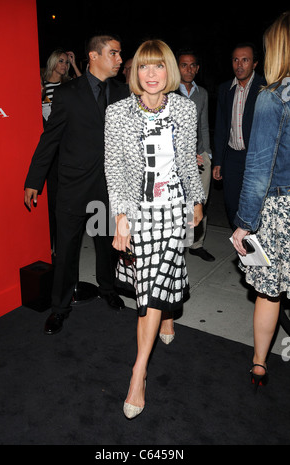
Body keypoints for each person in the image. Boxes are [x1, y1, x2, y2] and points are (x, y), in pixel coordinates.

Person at [104, 39, 205, 419]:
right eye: (143, 67)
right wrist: (121, 217)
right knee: (147, 291)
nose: (151, 74)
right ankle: (138, 373)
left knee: (162, 272)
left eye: (158, 66)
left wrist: (196, 199)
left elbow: (185, 161)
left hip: (174, 209)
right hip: (139, 211)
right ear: (134, 73)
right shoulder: (117, 114)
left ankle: (165, 317)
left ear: (169, 71)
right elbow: (114, 171)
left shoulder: (183, 107)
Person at [24, 34, 130, 335]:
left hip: (109, 186)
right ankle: (59, 308)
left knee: (107, 245)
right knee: (67, 249)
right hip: (73, 184)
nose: (120, 59)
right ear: (93, 56)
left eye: (120, 54)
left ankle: (108, 289)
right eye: (114, 53)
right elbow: (50, 139)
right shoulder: (68, 92)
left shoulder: (123, 93)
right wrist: (34, 179)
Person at [232, 11, 290, 390]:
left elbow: (258, 169)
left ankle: (259, 365)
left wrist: (244, 222)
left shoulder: (273, 97)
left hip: (280, 210)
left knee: (269, 292)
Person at [213, 43, 266, 230]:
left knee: (256, 207)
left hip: (256, 159)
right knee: (231, 205)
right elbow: (220, 127)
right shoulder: (225, 89)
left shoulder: (265, 88)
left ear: (255, 64)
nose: (239, 64)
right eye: (236, 60)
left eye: (245, 60)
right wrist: (218, 161)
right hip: (232, 157)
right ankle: (241, 250)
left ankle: (255, 251)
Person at [41, 49, 82, 260]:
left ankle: (58, 247)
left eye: (67, 62)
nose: (64, 65)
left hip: (65, 146)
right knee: (49, 199)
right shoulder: (40, 85)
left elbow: (88, 88)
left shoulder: (69, 86)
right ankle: (48, 245)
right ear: (52, 62)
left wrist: (76, 64)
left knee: (60, 199)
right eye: (62, 61)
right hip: (48, 147)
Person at [176, 49, 215, 261]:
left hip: (200, 157)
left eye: (192, 65)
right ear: (177, 67)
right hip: (177, 160)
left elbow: (204, 126)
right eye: (184, 64)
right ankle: (177, 244)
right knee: (178, 203)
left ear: (197, 69)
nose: (188, 69)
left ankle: (196, 243)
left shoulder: (203, 94)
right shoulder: (169, 92)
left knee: (201, 201)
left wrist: (207, 153)